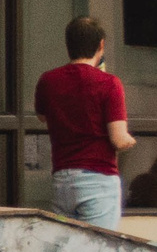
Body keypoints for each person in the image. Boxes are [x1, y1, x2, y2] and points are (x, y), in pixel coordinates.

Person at [34, 15, 133, 228]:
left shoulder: (48, 80)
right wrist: (130, 141)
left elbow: (42, 116)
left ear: (68, 45)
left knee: (69, 250)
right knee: (98, 250)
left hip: (62, 179)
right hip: (98, 179)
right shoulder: (109, 84)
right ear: (101, 45)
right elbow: (118, 139)